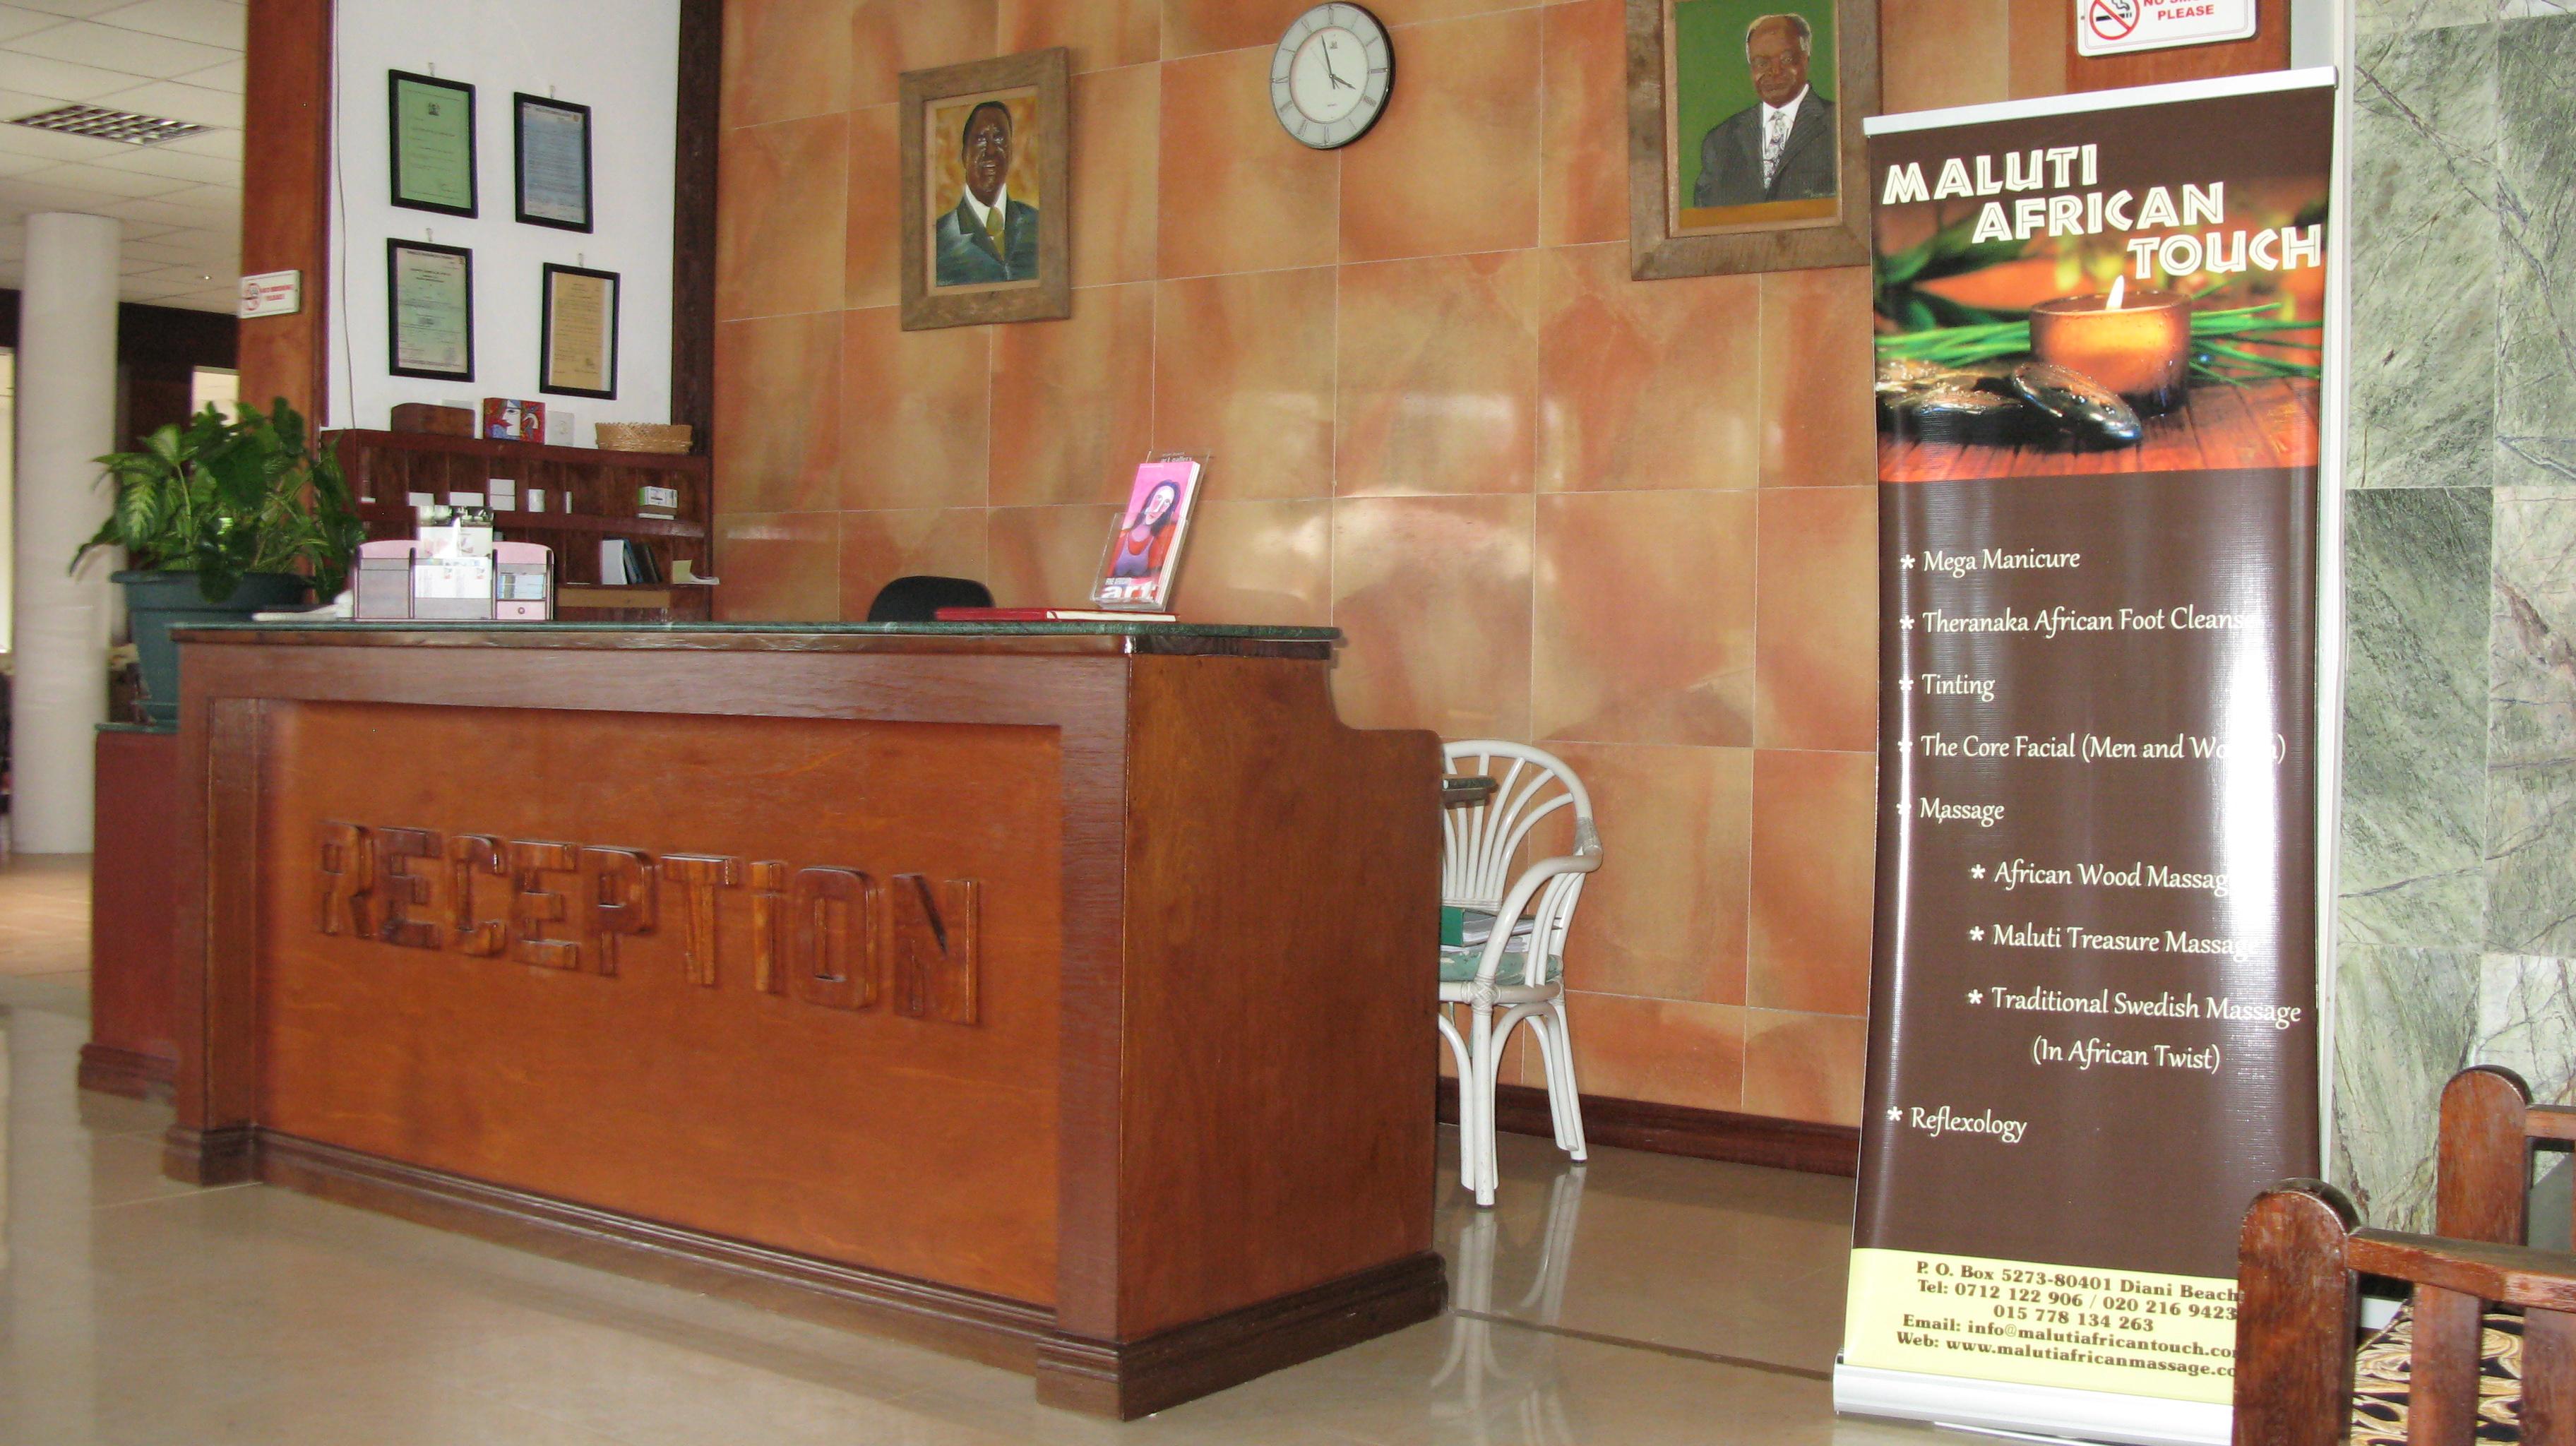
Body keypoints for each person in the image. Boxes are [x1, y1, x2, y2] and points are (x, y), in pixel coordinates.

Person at [1692, 13, 1837, 208]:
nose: (1774, 71)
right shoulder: (1720, 141)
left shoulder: (1840, 126)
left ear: (1805, 59)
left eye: (1786, 59)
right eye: (1762, 63)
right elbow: (1705, 216)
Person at [933, 100, 1040, 286]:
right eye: (981, 140)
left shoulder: (1040, 227)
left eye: (999, 140)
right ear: (965, 155)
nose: (991, 151)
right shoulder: (937, 242)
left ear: (1011, 151)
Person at [1109, 480, 1181, 580]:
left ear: (1168, 510)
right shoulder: (1122, 534)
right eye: (1158, 498)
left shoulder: (1157, 543)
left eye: (1166, 502)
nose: (1158, 508)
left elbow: (1157, 578)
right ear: (1150, 498)